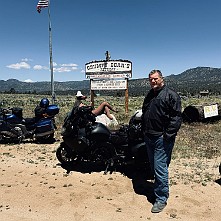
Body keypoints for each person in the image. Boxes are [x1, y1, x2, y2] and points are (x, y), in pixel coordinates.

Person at [141, 70, 182, 213]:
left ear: (161, 79)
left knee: (160, 168)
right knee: (155, 167)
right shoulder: (150, 94)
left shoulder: (171, 95)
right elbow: (145, 111)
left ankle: (161, 199)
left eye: (155, 79)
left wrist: (167, 135)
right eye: (150, 79)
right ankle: (159, 189)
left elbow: (176, 117)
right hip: (149, 136)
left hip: (161, 138)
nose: (153, 81)